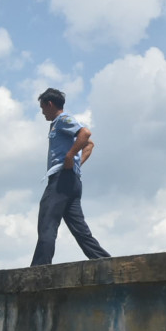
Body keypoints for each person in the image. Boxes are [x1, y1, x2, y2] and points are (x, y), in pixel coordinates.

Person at [31, 88, 111, 266]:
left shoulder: (62, 120)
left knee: (47, 223)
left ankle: (39, 268)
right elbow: (90, 145)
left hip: (61, 180)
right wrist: (76, 162)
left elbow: (86, 134)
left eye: (43, 108)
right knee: (80, 229)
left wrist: (70, 157)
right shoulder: (57, 124)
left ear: (49, 104)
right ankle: (104, 261)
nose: (42, 112)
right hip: (72, 181)